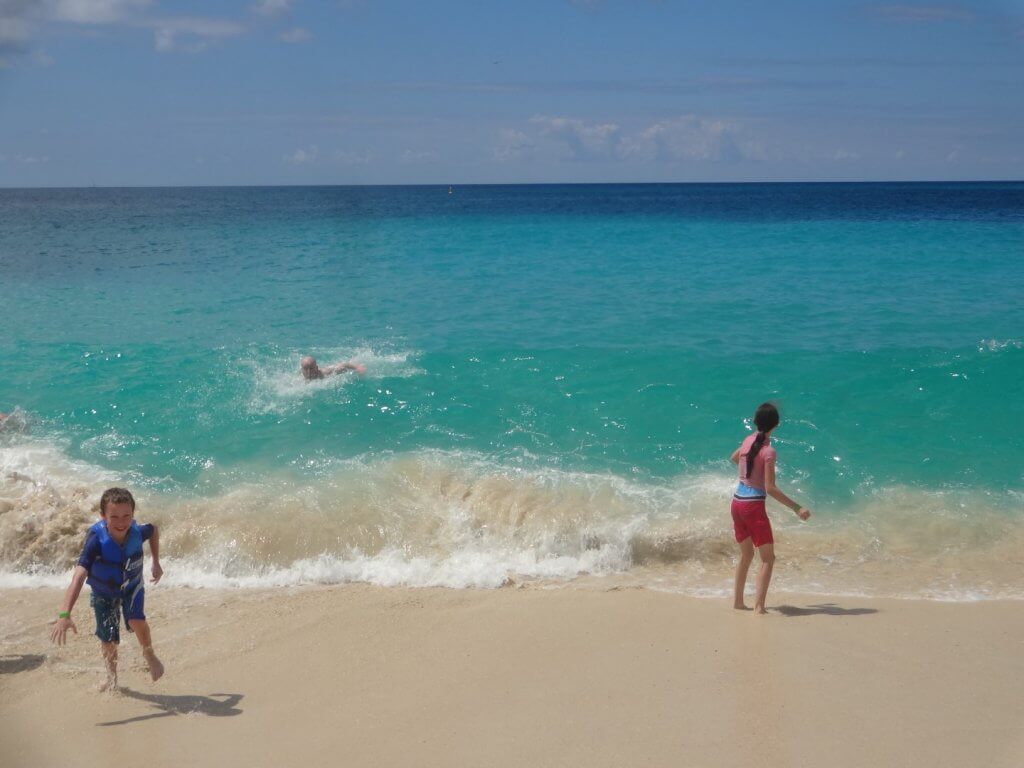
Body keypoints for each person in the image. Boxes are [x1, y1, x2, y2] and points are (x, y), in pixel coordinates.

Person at [50, 487, 164, 690]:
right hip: (104, 592)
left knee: (136, 619)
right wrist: (64, 614)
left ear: (133, 514)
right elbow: (77, 578)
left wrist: (156, 562)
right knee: (108, 638)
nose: (121, 522)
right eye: (114, 517)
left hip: (132, 585)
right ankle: (112, 678)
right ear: (103, 517)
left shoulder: (138, 531)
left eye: (126, 516)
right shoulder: (95, 541)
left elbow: (154, 530)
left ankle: (148, 652)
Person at [729, 403, 811, 614]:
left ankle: (738, 602)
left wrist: (747, 473)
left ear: (756, 421)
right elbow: (770, 488)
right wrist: (797, 507)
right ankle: (758, 608)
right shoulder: (768, 452)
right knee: (767, 559)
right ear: (776, 425)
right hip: (753, 507)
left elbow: (734, 458)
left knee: (746, 556)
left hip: (737, 503)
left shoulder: (748, 441)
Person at [300, 355, 366, 380]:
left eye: (311, 368)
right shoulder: (300, 380)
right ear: (302, 370)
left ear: (316, 368)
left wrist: (358, 367)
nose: (308, 372)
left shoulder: (325, 373)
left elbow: (344, 364)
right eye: (305, 369)